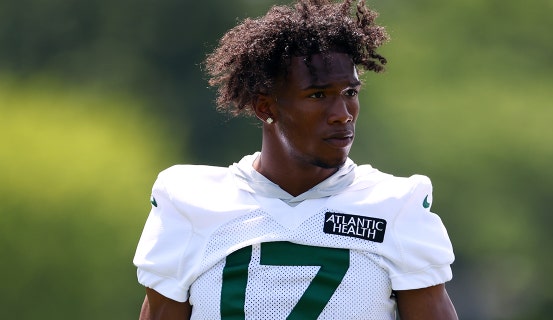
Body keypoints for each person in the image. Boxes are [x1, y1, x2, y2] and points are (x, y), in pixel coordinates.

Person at [133, 0, 457, 319]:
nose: (342, 115)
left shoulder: (395, 205)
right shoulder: (192, 202)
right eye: (317, 96)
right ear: (266, 108)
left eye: (350, 93)